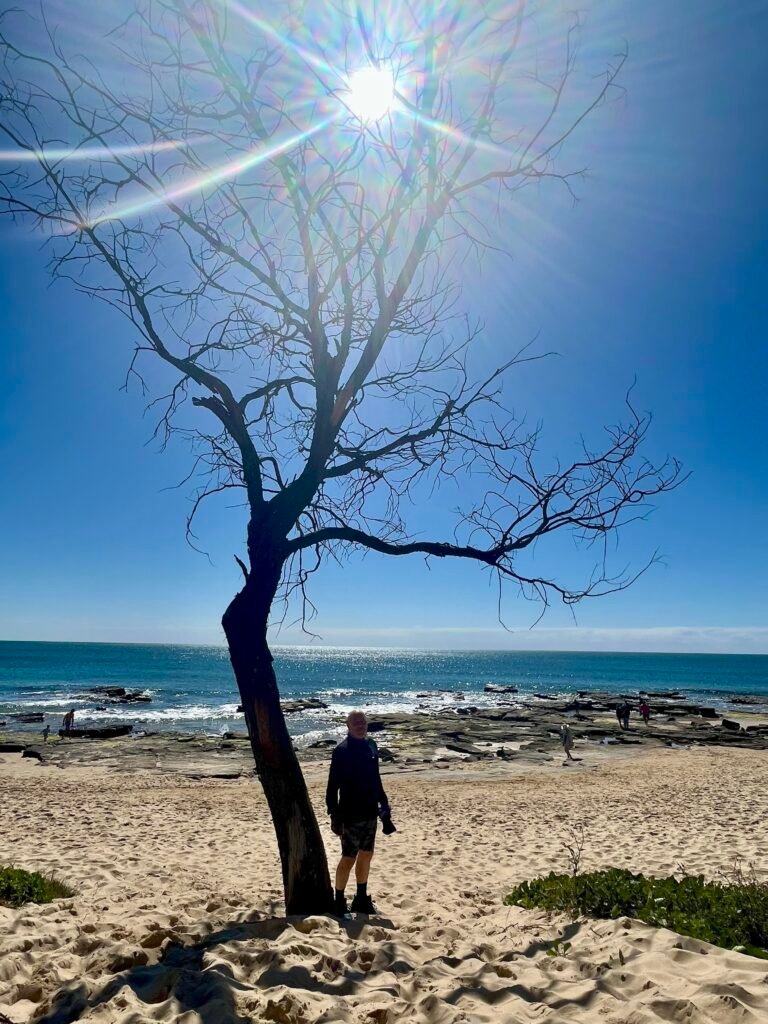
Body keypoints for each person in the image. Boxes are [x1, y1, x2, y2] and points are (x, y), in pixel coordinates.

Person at [326, 710, 395, 918]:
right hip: (349, 814)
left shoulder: (371, 746)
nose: (360, 725)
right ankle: (339, 901)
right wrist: (334, 816)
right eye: (355, 722)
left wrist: (383, 803)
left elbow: (376, 779)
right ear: (347, 725)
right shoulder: (341, 751)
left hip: (370, 813)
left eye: (363, 722)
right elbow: (332, 788)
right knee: (348, 858)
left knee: (366, 855)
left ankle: (361, 899)